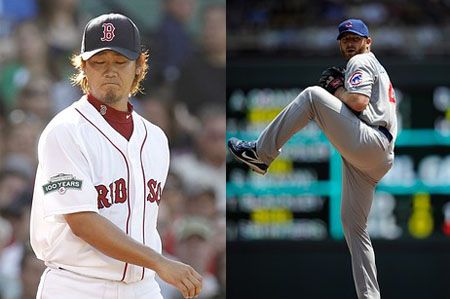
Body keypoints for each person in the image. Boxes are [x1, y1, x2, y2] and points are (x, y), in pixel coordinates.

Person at [30, 13, 202, 299]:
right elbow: (82, 221)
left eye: (120, 61)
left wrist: (155, 264)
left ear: (139, 66)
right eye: (99, 62)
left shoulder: (155, 138)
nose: (110, 71)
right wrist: (159, 261)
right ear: (84, 68)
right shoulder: (65, 131)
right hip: (77, 285)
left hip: (142, 287)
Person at [228, 19, 397, 299]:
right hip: (375, 157)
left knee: (311, 97)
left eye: (356, 38)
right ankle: (370, 296)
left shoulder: (361, 61)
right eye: (345, 39)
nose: (351, 43)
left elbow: (357, 101)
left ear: (369, 42)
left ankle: (261, 152)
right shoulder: (375, 66)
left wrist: (336, 89)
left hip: (370, 142)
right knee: (354, 226)